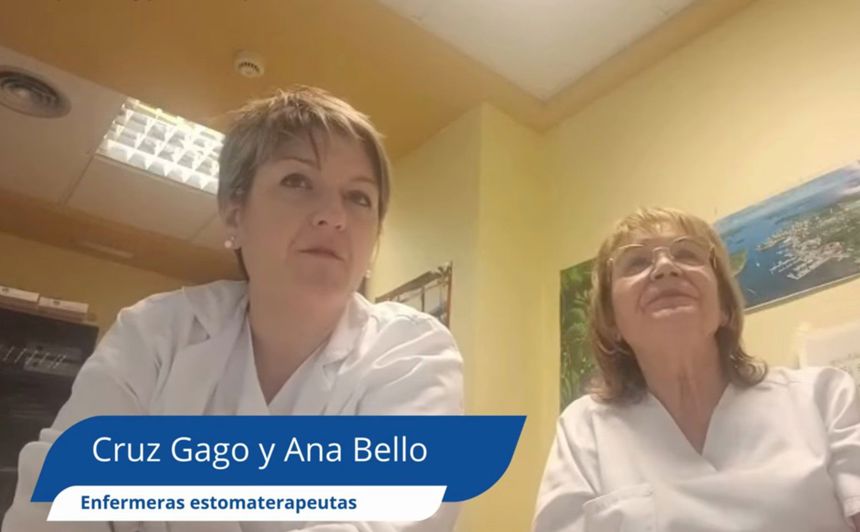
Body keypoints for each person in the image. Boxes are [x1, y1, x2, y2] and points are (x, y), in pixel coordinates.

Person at [3, 87, 463, 532]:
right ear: (234, 212)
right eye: (298, 181)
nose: (334, 215)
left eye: (359, 197)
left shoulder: (411, 351)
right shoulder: (155, 334)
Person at [533, 207, 860, 532]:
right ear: (611, 321)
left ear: (724, 307)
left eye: (687, 254)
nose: (665, 267)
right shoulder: (583, 429)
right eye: (636, 262)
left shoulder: (824, 397)